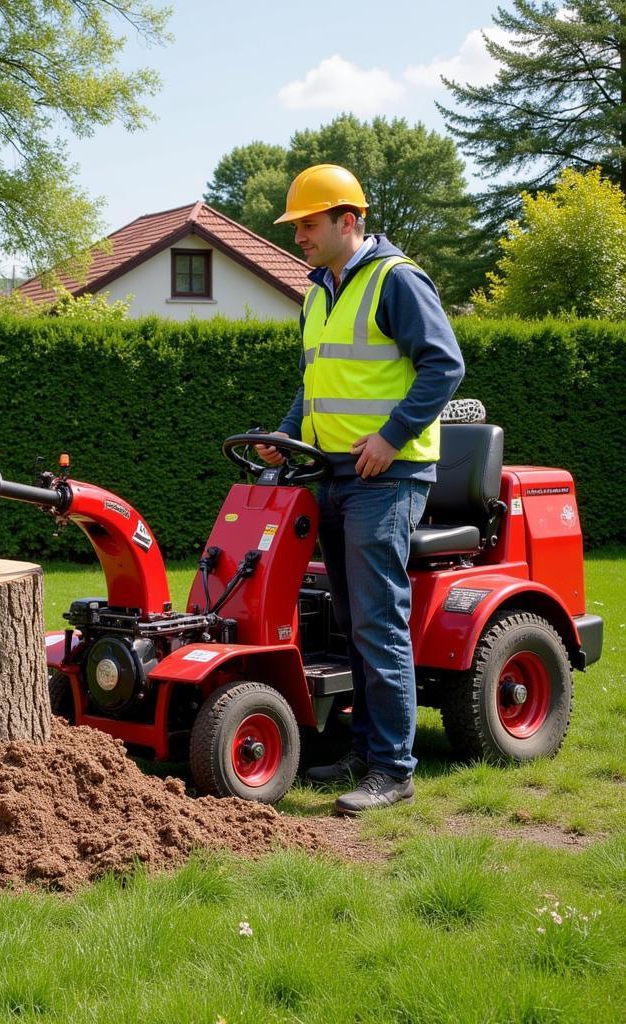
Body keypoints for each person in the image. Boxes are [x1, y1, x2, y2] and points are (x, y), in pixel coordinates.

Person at [257, 163, 464, 815]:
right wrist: (286, 433)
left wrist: (391, 438)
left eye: (309, 225)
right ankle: (365, 750)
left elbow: (443, 365)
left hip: (388, 476)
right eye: (297, 228)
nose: (299, 238)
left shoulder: (396, 280)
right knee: (349, 623)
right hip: (332, 475)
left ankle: (395, 771)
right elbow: (314, 382)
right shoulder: (318, 292)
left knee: (377, 621)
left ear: (350, 221)